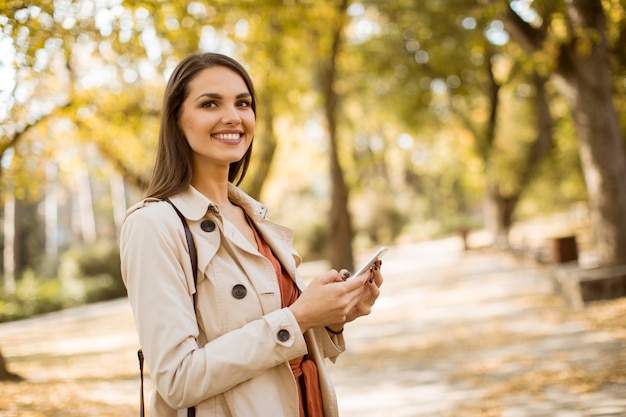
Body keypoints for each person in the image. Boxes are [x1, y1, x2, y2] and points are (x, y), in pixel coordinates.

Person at [120, 52, 384, 417]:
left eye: (243, 103)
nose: (233, 116)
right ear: (178, 119)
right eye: (210, 103)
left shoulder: (253, 218)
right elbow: (178, 380)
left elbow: (280, 353)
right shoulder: (154, 225)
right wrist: (299, 318)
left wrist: (332, 316)